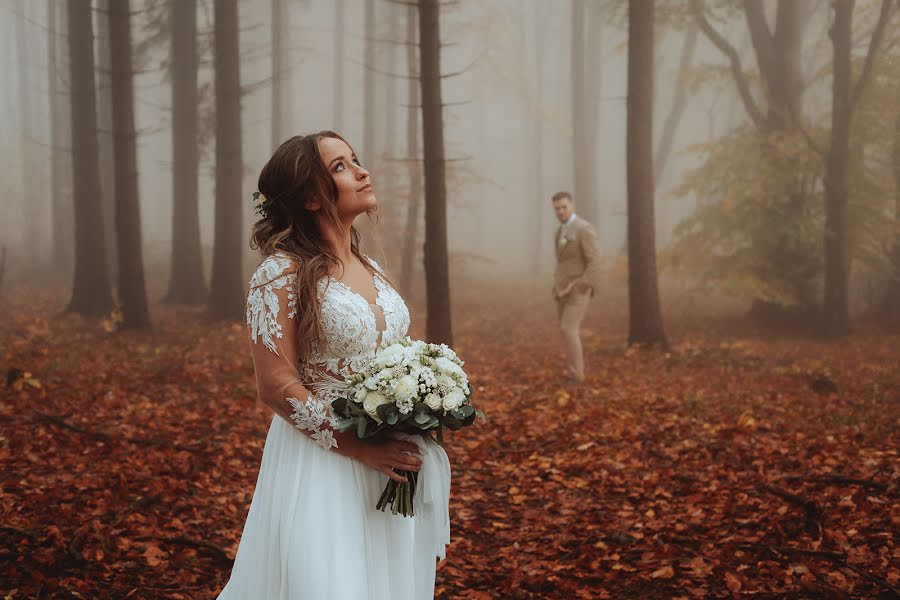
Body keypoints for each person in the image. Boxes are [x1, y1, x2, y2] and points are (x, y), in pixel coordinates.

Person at [216, 131, 451, 599]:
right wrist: (357, 446)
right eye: (341, 167)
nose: (362, 171)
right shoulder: (279, 274)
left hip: (388, 460)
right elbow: (275, 383)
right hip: (322, 461)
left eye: (355, 160)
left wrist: (422, 399)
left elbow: (390, 357)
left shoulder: (372, 268)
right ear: (309, 197)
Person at [551, 191, 602, 384]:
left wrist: (583, 285)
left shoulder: (584, 229)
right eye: (557, 208)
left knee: (569, 329)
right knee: (565, 332)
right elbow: (563, 261)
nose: (561, 211)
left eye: (564, 207)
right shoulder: (559, 232)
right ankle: (572, 373)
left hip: (578, 289)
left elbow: (595, 261)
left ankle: (578, 376)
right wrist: (557, 284)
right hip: (561, 289)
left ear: (571, 206)